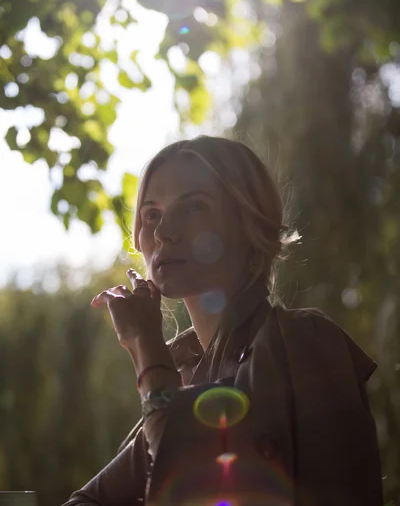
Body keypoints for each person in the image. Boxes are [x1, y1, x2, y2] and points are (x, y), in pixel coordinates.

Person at [62, 135, 383, 506]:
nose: (163, 231)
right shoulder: (184, 374)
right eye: (152, 214)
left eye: (194, 207)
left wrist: (144, 345)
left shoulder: (304, 343)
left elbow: (200, 485)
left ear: (250, 224)